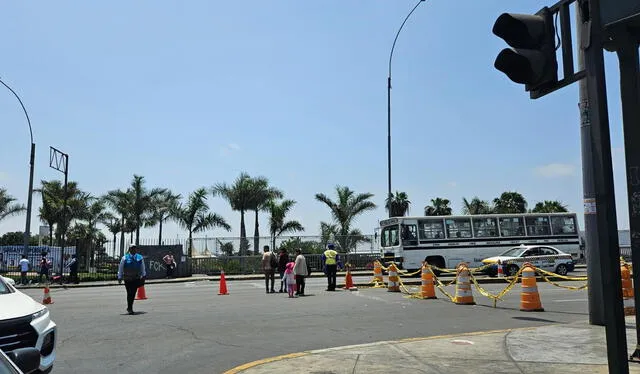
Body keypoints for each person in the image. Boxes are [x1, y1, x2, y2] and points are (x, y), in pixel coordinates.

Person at [117, 245, 147, 315]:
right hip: (127, 278)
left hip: (136, 278)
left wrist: (144, 276)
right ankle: (129, 307)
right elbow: (120, 268)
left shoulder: (140, 257)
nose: (134, 250)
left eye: (135, 248)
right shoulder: (124, 258)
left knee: (133, 293)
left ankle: (130, 307)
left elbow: (142, 267)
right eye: (132, 248)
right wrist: (119, 276)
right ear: (129, 249)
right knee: (129, 293)